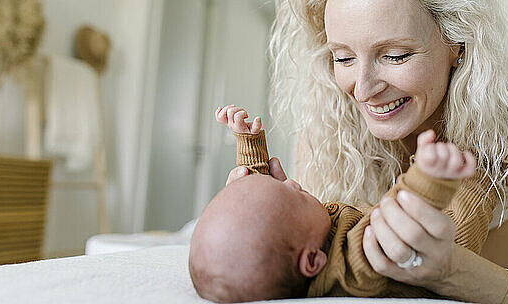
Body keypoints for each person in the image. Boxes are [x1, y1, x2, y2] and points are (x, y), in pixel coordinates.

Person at [224, 0, 508, 303]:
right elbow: (320, 250)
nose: (364, 89)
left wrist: (452, 272)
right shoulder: (331, 119)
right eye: (343, 57)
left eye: (394, 55)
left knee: (505, 241)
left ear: (457, 42)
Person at [189, 107, 475, 302]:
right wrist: (427, 175)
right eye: (297, 197)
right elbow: (402, 218)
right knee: (476, 190)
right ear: (313, 261)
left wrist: (249, 143)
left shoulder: (297, 243)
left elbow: (264, 206)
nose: (292, 183)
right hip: (449, 241)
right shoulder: (354, 268)